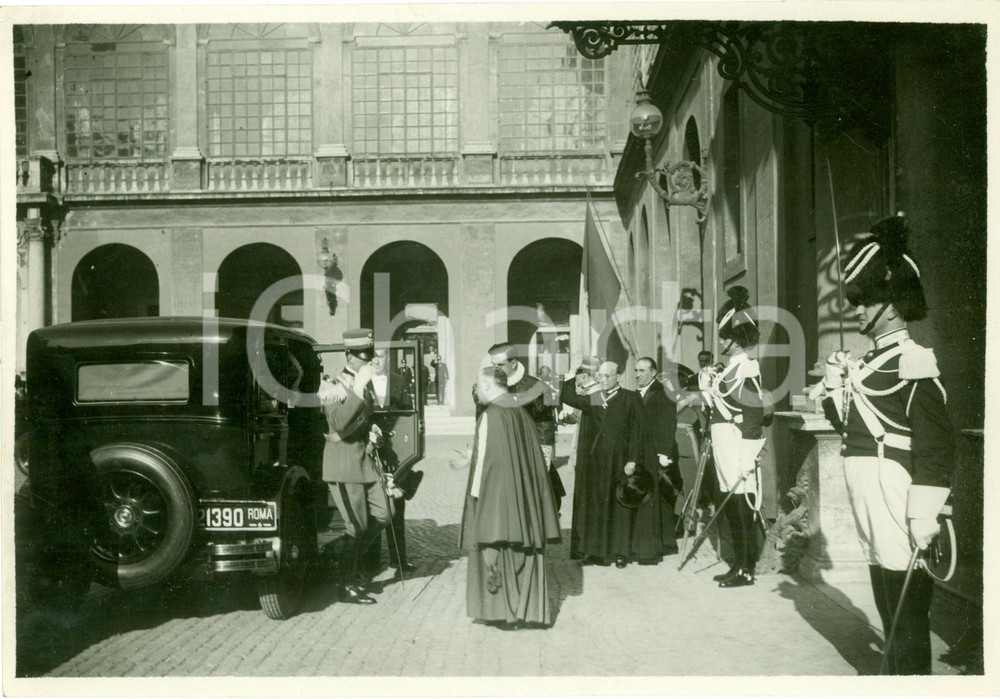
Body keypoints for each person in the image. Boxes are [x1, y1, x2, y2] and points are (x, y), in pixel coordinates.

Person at [813, 215, 954, 675]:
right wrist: (835, 386)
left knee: (907, 607)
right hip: (867, 486)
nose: (856, 310)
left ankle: (910, 679)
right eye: (857, 299)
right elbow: (849, 425)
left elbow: (936, 445)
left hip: (895, 487)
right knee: (884, 590)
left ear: (891, 306)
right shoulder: (869, 362)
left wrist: (924, 512)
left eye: (867, 300)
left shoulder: (911, 361)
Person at [459, 366, 561, 628]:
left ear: (489, 385)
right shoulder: (520, 412)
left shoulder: (491, 415)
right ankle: (525, 612)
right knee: (521, 551)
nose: (476, 391)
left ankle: (504, 612)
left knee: (497, 548)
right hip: (522, 498)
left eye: (479, 386)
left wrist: (475, 498)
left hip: (497, 497)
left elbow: (486, 462)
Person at [559, 360, 660, 567]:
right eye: (600, 376)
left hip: (620, 462)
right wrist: (574, 372)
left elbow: (637, 432)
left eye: (607, 376)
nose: (602, 380)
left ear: (618, 376)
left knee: (619, 508)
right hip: (595, 464)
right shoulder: (596, 398)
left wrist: (632, 459)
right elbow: (568, 396)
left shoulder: (629, 398)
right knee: (594, 506)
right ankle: (592, 552)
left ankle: (620, 553)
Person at [319, 328, 392, 605]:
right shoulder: (330, 384)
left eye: (369, 356)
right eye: (363, 357)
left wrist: (373, 428)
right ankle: (346, 583)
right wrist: (359, 389)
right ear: (349, 355)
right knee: (356, 526)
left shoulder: (365, 382)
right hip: (343, 463)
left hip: (364, 460)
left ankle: (353, 565)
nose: (368, 362)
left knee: (385, 513)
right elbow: (338, 423)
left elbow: (363, 419)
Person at [706, 286, 767, 588]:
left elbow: (754, 416)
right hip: (724, 446)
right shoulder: (731, 369)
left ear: (736, 338)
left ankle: (746, 568)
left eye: (724, 336)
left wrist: (746, 459)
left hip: (737, 445)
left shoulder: (746, 369)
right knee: (731, 506)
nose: (721, 341)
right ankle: (738, 563)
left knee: (742, 508)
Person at [476, 343, 565, 514]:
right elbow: (481, 419)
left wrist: (544, 459)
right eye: (493, 364)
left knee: (534, 504)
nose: (496, 369)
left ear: (514, 363)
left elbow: (545, 424)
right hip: (499, 455)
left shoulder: (535, 386)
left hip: (528, 454)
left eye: (500, 365)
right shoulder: (487, 384)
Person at [362, 348, 417, 579]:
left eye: (381, 356)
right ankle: (371, 561)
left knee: (397, 505)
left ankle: (399, 560)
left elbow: (408, 415)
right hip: (370, 451)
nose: (377, 360)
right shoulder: (361, 382)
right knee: (372, 506)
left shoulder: (399, 380)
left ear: (388, 358)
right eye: (373, 356)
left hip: (395, 453)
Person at [635, 357, 683, 555]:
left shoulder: (663, 392)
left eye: (642, 371)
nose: (638, 375)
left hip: (660, 454)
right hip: (644, 453)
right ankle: (651, 542)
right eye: (636, 371)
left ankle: (666, 544)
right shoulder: (638, 393)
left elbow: (668, 424)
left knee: (662, 499)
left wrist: (664, 452)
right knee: (649, 497)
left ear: (653, 372)